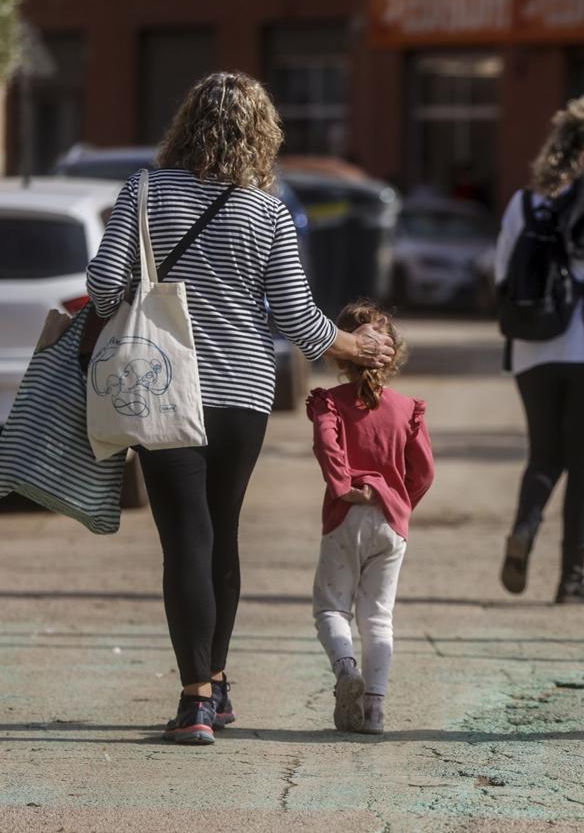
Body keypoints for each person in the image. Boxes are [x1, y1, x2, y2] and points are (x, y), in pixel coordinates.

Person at [85, 72, 396, 746]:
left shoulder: (143, 190)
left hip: (164, 385)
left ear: (186, 121)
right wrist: (357, 344)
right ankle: (217, 684)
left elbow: (107, 284)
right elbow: (296, 320)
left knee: (185, 541)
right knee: (221, 532)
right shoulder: (268, 210)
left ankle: (196, 698)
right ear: (263, 133)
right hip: (242, 394)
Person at [495, 95, 584, 604]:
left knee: (543, 455)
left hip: (532, 350)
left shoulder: (524, 203)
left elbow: (501, 276)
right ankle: (571, 578)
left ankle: (525, 530)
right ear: (582, 157)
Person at [308, 301, 434, 735]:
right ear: (394, 354)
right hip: (390, 523)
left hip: (345, 517)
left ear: (338, 353)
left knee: (331, 608)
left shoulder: (330, 403)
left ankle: (346, 670)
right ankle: (375, 710)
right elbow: (425, 471)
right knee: (378, 617)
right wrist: (400, 502)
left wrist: (343, 485)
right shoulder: (406, 409)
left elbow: (327, 445)